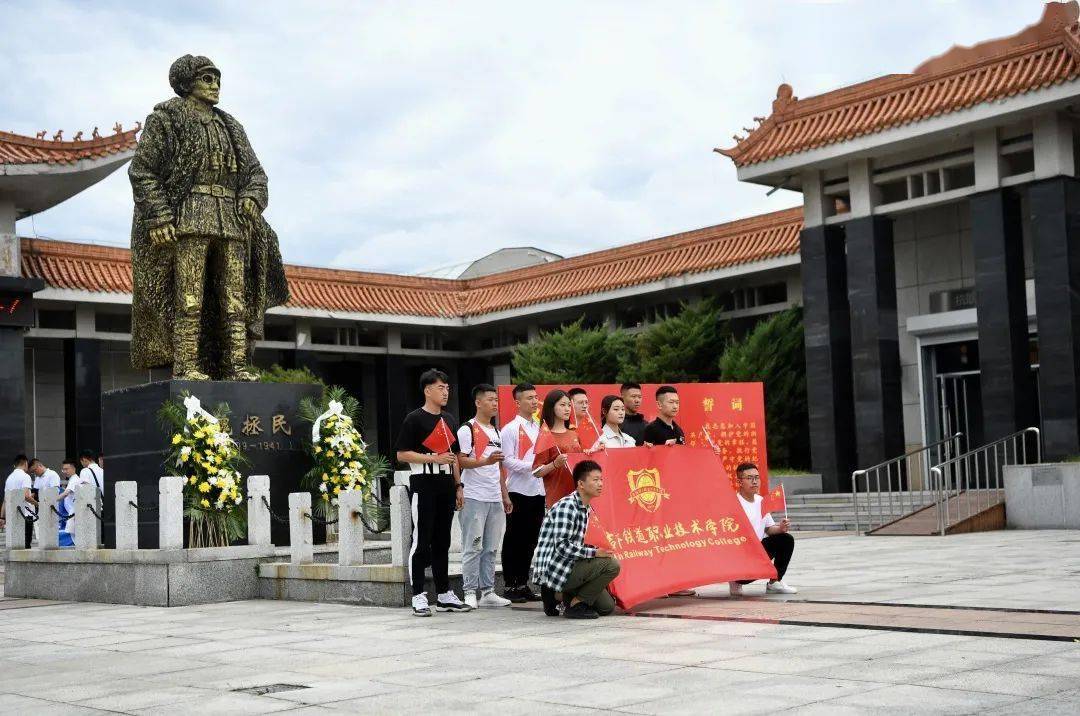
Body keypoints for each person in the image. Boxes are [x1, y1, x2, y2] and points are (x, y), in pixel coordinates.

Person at [395, 369, 471, 617]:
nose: (446, 391)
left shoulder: (448, 419)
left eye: (448, 388)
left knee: (443, 541)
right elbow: (402, 454)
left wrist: (458, 486)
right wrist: (435, 457)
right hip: (424, 483)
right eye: (441, 388)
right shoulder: (414, 419)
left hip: (446, 485)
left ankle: (444, 593)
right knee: (422, 540)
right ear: (427, 390)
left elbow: (455, 457)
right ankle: (418, 594)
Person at [531, 460, 621, 619]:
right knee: (612, 565)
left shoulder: (585, 506)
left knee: (606, 607)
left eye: (601, 479)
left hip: (569, 564)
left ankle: (557, 596)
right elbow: (562, 547)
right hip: (555, 568)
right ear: (581, 483)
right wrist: (594, 553)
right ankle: (573, 604)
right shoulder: (567, 507)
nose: (600, 484)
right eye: (595, 480)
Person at [456, 384, 512, 609]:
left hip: (494, 497)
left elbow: (498, 468)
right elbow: (460, 460)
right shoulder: (467, 429)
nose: (495, 404)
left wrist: (504, 495)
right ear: (478, 402)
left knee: (490, 547)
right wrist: (484, 461)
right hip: (474, 496)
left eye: (496, 400)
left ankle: (488, 591)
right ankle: (469, 590)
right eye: (490, 400)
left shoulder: (496, 432)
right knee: (473, 545)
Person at [499, 382, 544, 603]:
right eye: (529, 398)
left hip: (538, 490)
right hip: (518, 490)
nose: (534, 401)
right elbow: (506, 460)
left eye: (536, 397)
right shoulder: (510, 429)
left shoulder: (538, 427)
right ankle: (510, 585)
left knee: (531, 539)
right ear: (517, 402)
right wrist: (532, 467)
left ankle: (523, 583)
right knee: (514, 538)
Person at [730, 462, 797, 596]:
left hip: (757, 553)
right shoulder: (733, 504)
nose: (755, 482)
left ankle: (774, 582)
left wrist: (781, 528)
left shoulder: (761, 501)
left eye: (757, 477)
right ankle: (734, 580)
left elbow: (769, 529)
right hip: (740, 557)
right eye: (749, 478)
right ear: (739, 482)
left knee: (786, 539)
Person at [532, 390, 582, 509]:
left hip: (579, 496)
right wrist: (555, 464)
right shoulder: (546, 436)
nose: (567, 409)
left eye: (569, 405)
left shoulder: (574, 434)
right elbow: (536, 472)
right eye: (562, 405)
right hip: (557, 499)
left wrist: (594, 451)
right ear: (551, 407)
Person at [1, 455, 37, 547]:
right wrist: (37, 504)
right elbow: (25, 495)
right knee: (26, 544)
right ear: (25, 463)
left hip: (12, 514)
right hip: (25, 514)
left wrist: (2, 517)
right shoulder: (25, 477)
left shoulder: (9, 478)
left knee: (16, 545)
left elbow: (5, 499)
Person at [57, 459, 78, 532]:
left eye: (66, 469)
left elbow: (66, 493)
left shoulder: (74, 479)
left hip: (74, 514)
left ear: (73, 468)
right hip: (71, 513)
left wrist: (53, 500)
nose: (65, 472)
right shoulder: (72, 479)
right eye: (63, 469)